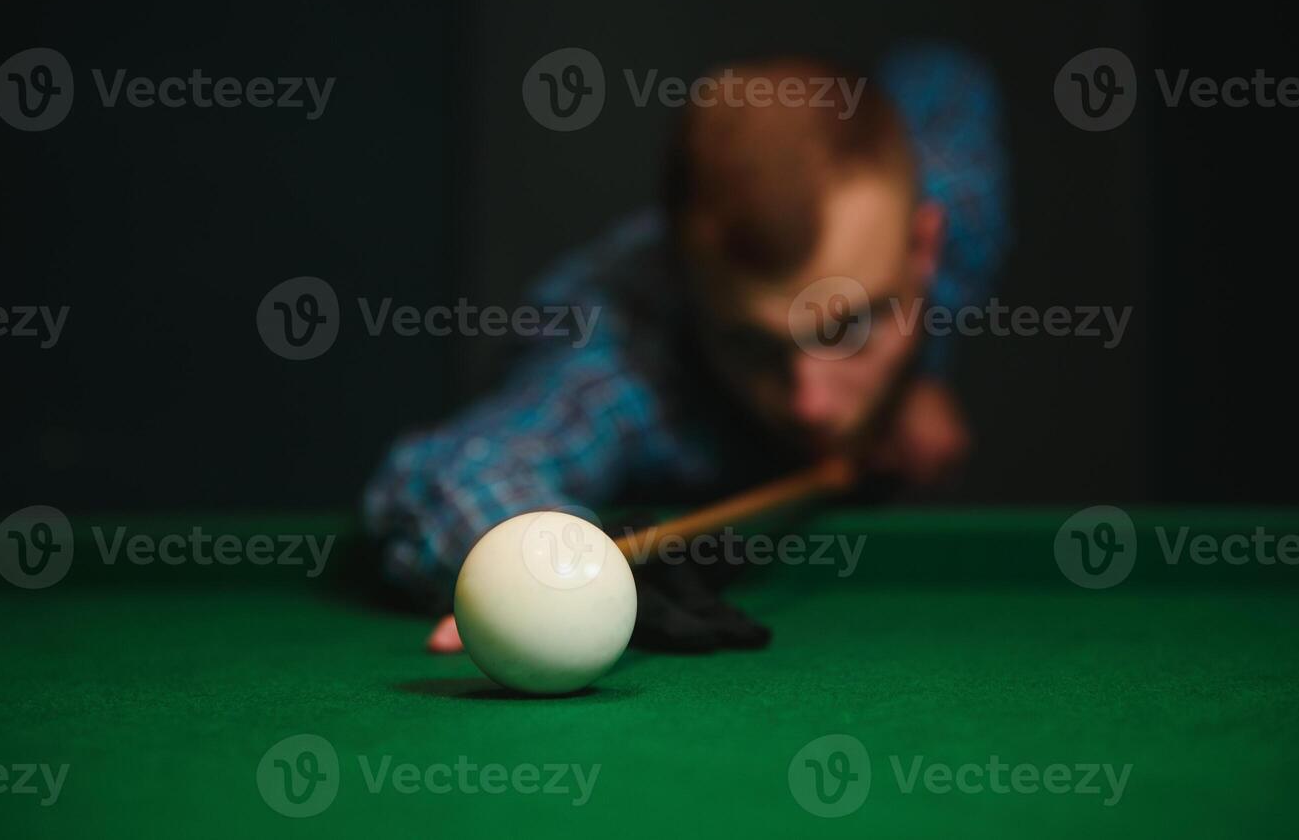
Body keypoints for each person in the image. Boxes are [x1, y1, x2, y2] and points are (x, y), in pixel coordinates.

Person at [364, 46, 1009, 652]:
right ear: (689, 289)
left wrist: (919, 374)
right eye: (751, 347)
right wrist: (573, 569)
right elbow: (455, 471)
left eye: (846, 329)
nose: (810, 403)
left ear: (924, 249)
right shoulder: (626, 347)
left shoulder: (959, 203)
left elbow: (946, 75)